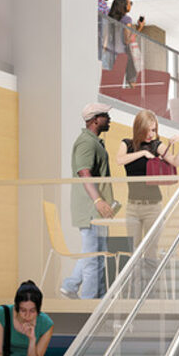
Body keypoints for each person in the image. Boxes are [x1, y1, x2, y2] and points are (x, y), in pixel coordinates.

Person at [60, 103, 117, 300]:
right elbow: (84, 172)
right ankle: (90, 302)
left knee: (95, 254)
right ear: (95, 120)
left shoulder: (95, 142)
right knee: (93, 258)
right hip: (91, 209)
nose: (109, 119)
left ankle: (71, 285)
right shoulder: (86, 143)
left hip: (97, 210)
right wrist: (98, 201)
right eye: (105, 116)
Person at [116, 108, 179, 250]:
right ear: (138, 128)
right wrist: (142, 153)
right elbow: (119, 160)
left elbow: (175, 162)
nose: (150, 134)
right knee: (133, 252)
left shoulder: (156, 145)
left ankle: (149, 273)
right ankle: (136, 274)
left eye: (153, 130)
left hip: (153, 206)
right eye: (147, 130)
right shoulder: (127, 144)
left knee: (151, 251)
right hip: (132, 207)